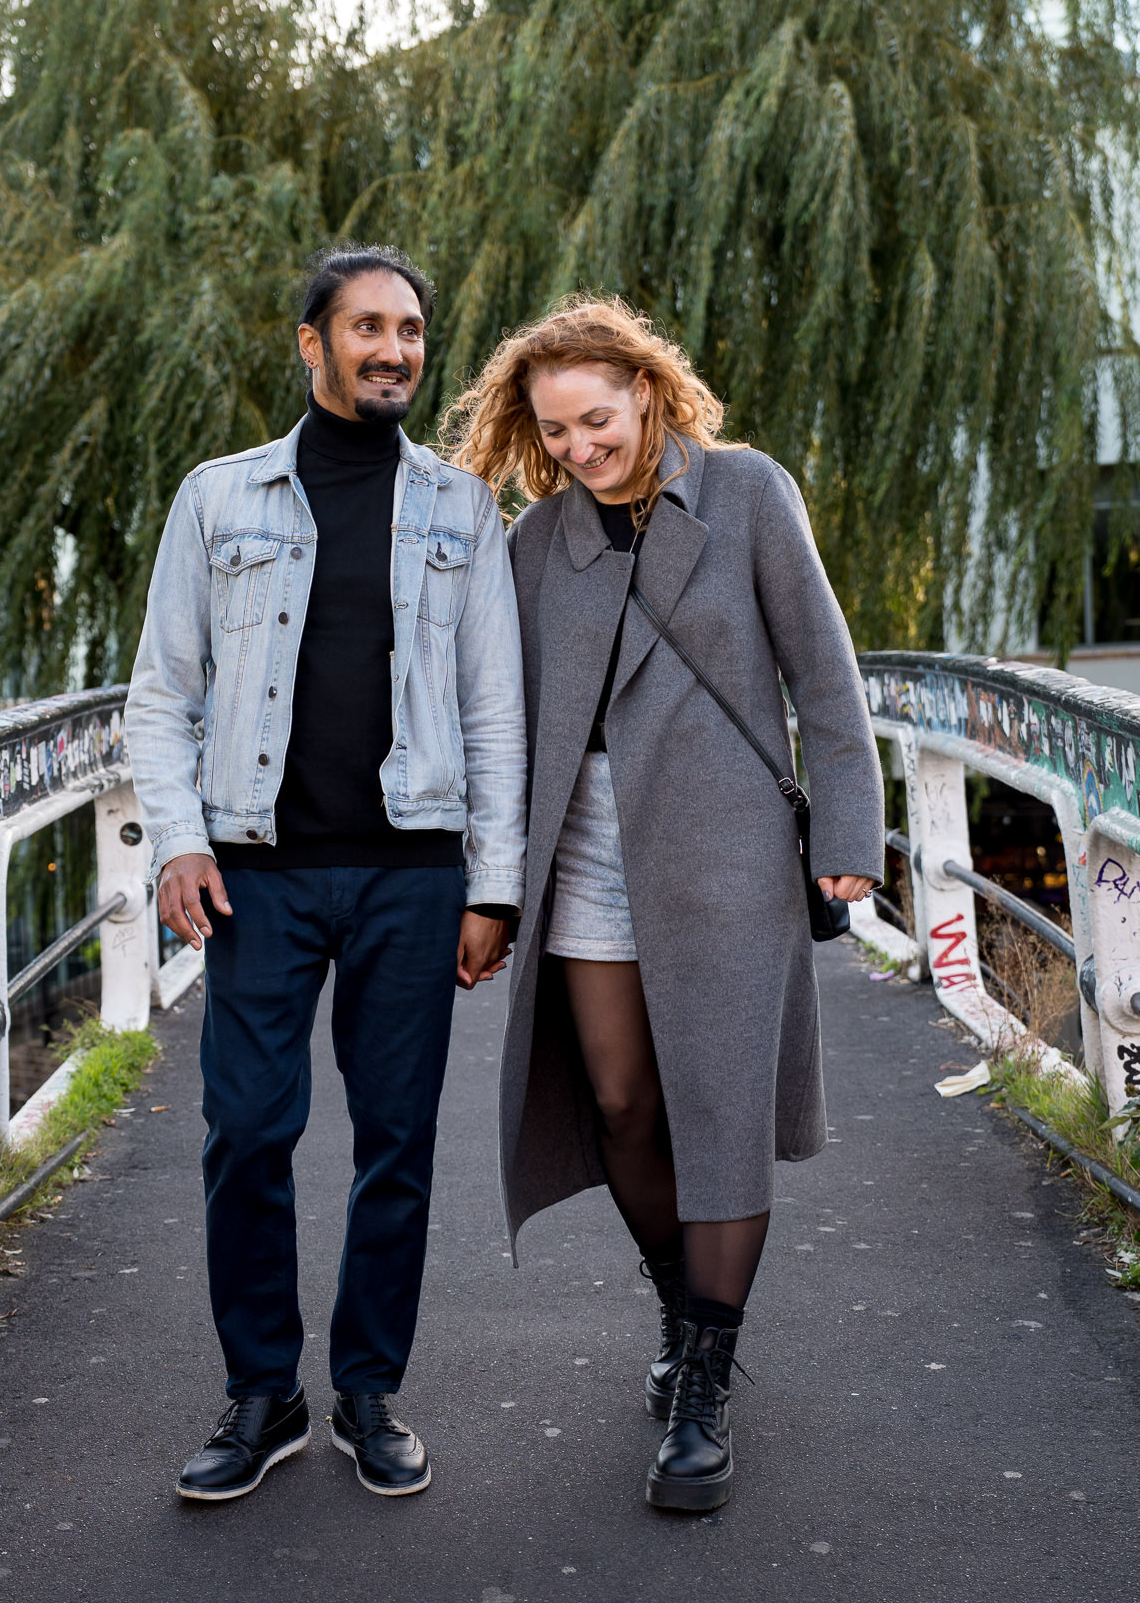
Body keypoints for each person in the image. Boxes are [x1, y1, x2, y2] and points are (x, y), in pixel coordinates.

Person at [445, 295, 883, 1512]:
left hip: (724, 855)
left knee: (721, 1104)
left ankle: (706, 1376)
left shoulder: (744, 492)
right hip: (584, 852)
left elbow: (823, 672)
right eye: (557, 432)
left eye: (598, 417)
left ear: (646, 388)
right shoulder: (539, 542)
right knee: (624, 1100)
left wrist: (849, 830)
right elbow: (493, 716)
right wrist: (481, 880)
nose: (583, 447)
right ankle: (684, 1304)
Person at [125, 245, 526, 1503]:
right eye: (368, 327)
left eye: (410, 327)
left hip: (413, 873)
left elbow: (495, 710)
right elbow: (160, 691)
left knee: (395, 1140)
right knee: (247, 1130)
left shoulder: (463, 509)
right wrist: (181, 834)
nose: (395, 348)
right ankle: (262, 1391)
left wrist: (493, 885)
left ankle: (367, 1388)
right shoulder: (220, 498)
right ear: (313, 345)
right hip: (260, 872)